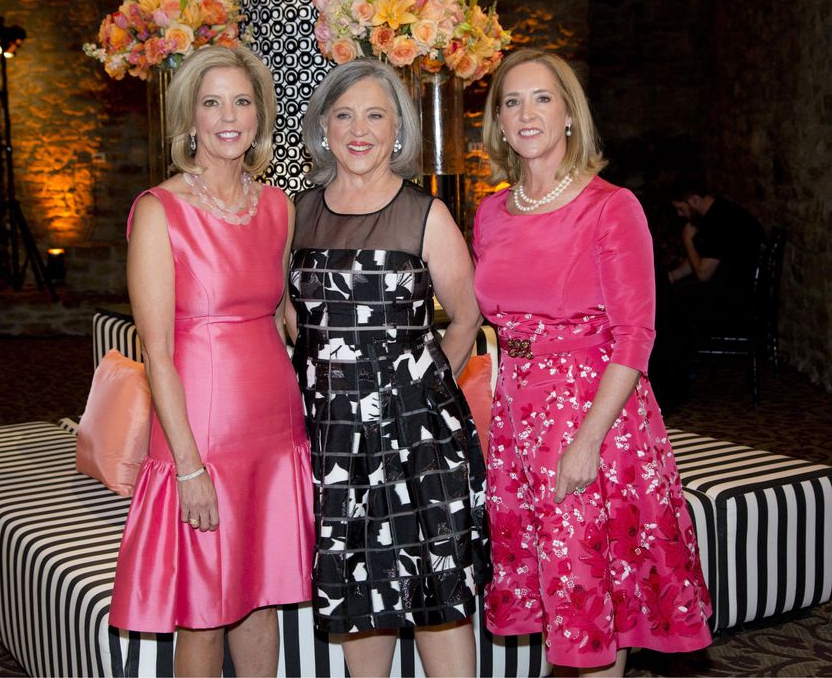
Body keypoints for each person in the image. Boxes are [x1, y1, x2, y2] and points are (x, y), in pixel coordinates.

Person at [473, 48, 712, 675]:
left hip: (592, 418)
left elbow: (636, 334)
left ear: (570, 116)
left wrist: (586, 442)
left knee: (590, 595)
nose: (527, 114)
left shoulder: (610, 206)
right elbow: (489, 321)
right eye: (512, 101)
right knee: (556, 591)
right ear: (498, 121)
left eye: (543, 98)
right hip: (517, 418)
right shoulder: (491, 212)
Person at [108, 45, 314, 678]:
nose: (229, 116)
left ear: (260, 115)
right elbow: (158, 355)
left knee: (261, 601)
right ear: (189, 118)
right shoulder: (158, 211)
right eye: (212, 102)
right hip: (200, 435)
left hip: (275, 434)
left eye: (243, 101)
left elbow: (287, 320)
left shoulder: (279, 206)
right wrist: (190, 466)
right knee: (202, 611)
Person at [286, 58, 490, 677]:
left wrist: (424, 390)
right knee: (357, 600)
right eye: (344, 114)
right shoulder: (293, 213)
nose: (359, 129)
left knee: (438, 601)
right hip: (332, 442)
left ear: (398, 130)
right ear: (323, 127)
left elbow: (467, 315)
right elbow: (286, 319)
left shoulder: (426, 214)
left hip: (420, 441)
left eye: (376, 114)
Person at [668, 184, 765, 335]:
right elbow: (703, 258)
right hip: (733, 284)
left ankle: (684, 351)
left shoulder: (720, 220)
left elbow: (703, 274)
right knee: (675, 287)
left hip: (739, 293)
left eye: (681, 208)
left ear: (693, 200)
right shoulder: (716, 212)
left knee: (675, 296)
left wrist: (687, 240)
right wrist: (674, 275)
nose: (679, 214)